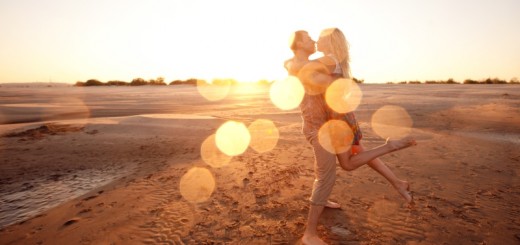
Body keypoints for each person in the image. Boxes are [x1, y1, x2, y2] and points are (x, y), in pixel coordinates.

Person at [285, 28, 416, 245]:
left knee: (341, 166)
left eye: (319, 37)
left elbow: (304, 70)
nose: (316, 39)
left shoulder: (329, 59)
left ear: (330, 42)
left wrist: (292, 63)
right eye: (310, 37)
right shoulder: (332, 60)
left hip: (337, 123)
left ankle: (309, 234)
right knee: (354, 158)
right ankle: (398, 182)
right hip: (336, 120)